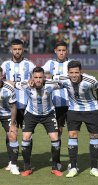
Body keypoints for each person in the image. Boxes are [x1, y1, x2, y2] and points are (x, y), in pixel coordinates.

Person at [10, 67, 64, 176]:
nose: (38, 80)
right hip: (31, 114)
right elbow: (13, 83)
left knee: (55, 138)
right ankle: (27, 167)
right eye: (36, 77)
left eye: (40, 77)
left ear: (44, 77)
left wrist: (49, 76)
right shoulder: (26, 84)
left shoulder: (51, 84)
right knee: (25, 138)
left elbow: (65, 83)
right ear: (32, 77)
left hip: (48, 114)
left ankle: (55, 167)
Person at [60, 61, 98, 178]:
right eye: (71, 73)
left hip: (91, 110)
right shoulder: (63, 79)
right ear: (68, 72)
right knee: (72, 136)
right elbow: (48, 78)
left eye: (76, 72)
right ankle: (73, 167)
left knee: (94, 137)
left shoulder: (90, 80)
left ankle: (94, 168)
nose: (74, 75)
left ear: (81, 72)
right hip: (74, 110)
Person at [0, 39, 36, 170]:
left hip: (27, 105)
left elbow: (38, 78)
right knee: (10, 133)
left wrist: (32, 81)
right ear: (11, 50)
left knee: (27, 134)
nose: (17, 51)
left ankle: (27, 160)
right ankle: (11, 161)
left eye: (19, 49)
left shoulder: (29, 64)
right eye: (15, 49)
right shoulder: (5, 65)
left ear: (23, 50)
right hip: (10, 106)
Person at [42, 41, 74, 170]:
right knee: (58, 132)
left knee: (72, 133)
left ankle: (72, 161)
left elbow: (78, 75)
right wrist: (48, 76)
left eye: (63, 50)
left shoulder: (71, 64)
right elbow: (37, 72)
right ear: (55, 51)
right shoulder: (50, 64)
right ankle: (57, 161)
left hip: (71, 104)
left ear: (67, 51)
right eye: (59, 50)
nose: (61, 53)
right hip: (56, 104)